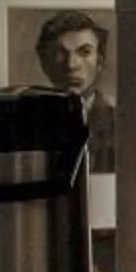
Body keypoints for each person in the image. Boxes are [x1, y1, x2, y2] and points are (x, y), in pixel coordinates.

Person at [34, 9, 118, 172]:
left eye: (84, 52)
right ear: (44, 62)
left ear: (99, 61)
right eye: (60, 53)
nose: (72, 65)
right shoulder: (29, 123)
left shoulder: (121, 125)